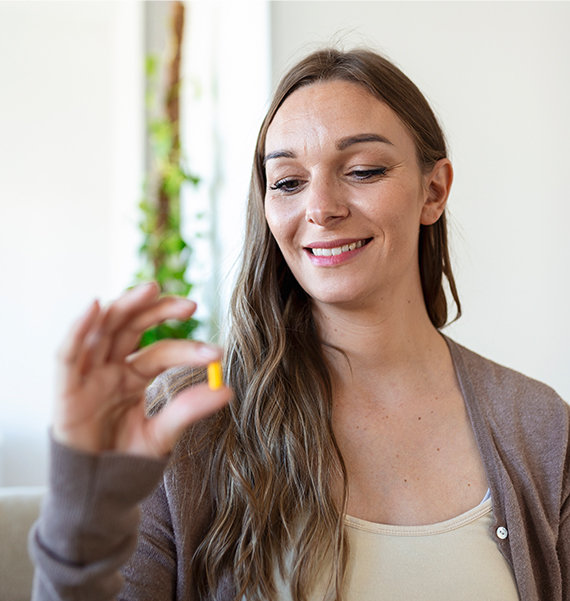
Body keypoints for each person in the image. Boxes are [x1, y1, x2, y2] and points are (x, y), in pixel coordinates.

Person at [30, 48, 569, 601]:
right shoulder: (191, 422)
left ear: (434, 191)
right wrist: (84, 510)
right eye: (288, 182)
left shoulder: (542, 427)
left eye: (362, 171)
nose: (321, 207)